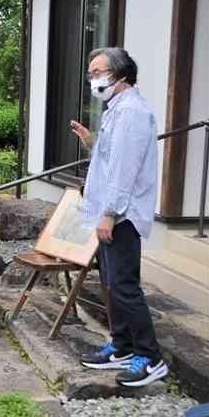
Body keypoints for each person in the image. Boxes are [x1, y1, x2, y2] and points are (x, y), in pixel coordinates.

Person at [72, 47, 168, 387]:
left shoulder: (131, 113)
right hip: (112, 214)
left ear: (120, 74)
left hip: (121, 217)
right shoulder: (117, 111)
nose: (92, 78)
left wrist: (110, 214)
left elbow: (124, 173)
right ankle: (124, 346)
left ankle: (150, 357)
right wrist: (91, 142)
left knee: (124, 287)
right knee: (111, 284)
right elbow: (114, 158)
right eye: (90, 73)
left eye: (97, 71)